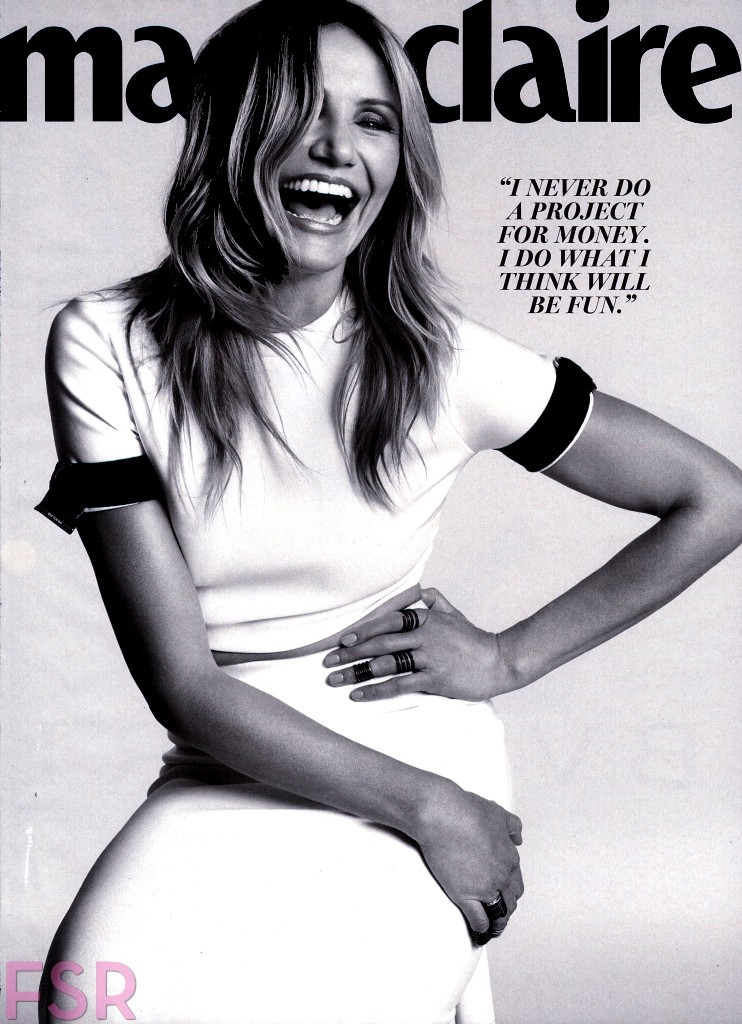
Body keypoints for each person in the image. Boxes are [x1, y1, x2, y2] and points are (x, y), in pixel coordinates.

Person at [35, 2, 742, 1022]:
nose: (338, 147)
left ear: (398, 162)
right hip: (230, 756)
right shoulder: (105, 342)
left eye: (373, 121)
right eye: (302, 111)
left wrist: (506, 660)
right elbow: (184, 685)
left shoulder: (445, 360)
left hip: (409, 733)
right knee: (86, 1003)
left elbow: (714, 498)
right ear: (230, 135)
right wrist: (437, 813)